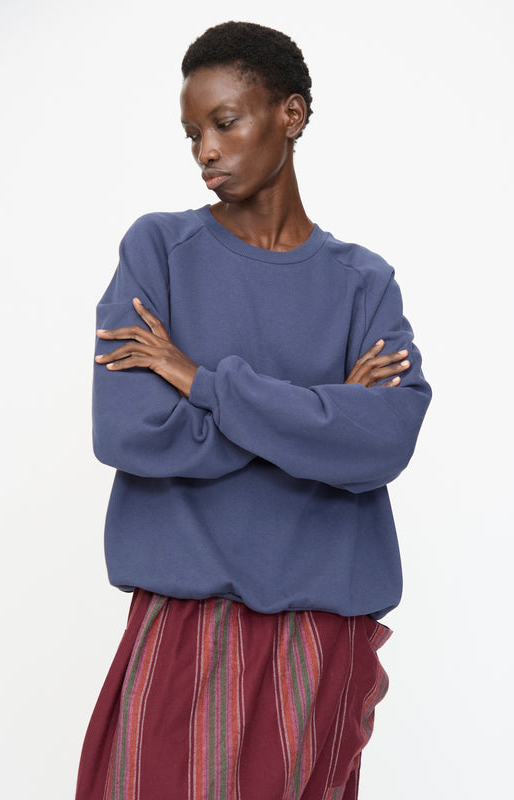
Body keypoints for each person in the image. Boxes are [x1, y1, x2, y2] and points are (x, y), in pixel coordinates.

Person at [75, 20, 431, 800]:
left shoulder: (361, 281)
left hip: (322, 628)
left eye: (224, 122)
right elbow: (129, 428)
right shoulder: (159, 250)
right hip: (182, 617)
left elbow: (381, 443)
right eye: (191, 132)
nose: (205, 148)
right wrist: (320, 415)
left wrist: (203, 383)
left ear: (290, 114)